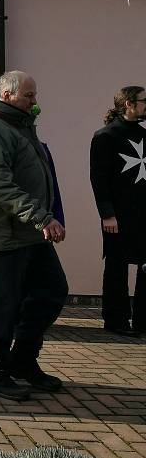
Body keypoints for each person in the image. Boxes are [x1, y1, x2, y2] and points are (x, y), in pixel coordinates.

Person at [0, 71, 68, 401]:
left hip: (31, 234)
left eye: (34, 95)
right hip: (7, 235)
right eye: (29, 95)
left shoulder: (20, 128)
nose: (34, 101)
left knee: (52, 292)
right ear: (7, 95)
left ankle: (22, 359)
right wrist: (41, 216)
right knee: (5, 305)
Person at [90, 86, 146, 337]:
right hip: (118, 215)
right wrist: (107, 214)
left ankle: (143, 320)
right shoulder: (106, 137)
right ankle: (116, 320)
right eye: (144, 101)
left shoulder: (144, 136)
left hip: (144, 213)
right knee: (117, 266)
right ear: (129, 104)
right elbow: (98, 179)